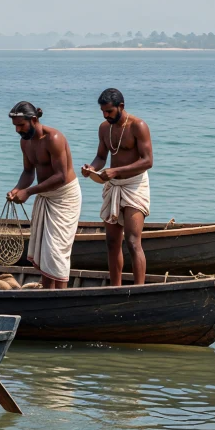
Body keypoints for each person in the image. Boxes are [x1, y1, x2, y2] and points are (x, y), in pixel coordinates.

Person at [7, 101, 81, 289]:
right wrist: (17, 189)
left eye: (21, 125)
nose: (17, 130)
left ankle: (61, 296)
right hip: (44, 194)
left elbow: (61, 177)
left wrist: (28, 192)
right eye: (15, 126)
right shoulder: (25, 142)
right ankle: (47, 292)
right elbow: (28, 172)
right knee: (44, 249)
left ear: (33, 120)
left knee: (56, 250)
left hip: (65, 197)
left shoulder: (54, 138)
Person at [84, 88, 153, 286]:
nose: (106, 116)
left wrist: (116, 171)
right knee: (112, 243)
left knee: (132, 241)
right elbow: (101, 157)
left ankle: (139, 290)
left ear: (121, 107)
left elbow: (148, 161)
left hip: (134, 185)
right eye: (103, 112)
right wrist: (91, 168)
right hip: (114, 185)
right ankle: (116, 289)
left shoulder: (138, 126)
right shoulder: (104, 128)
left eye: (110, 112)